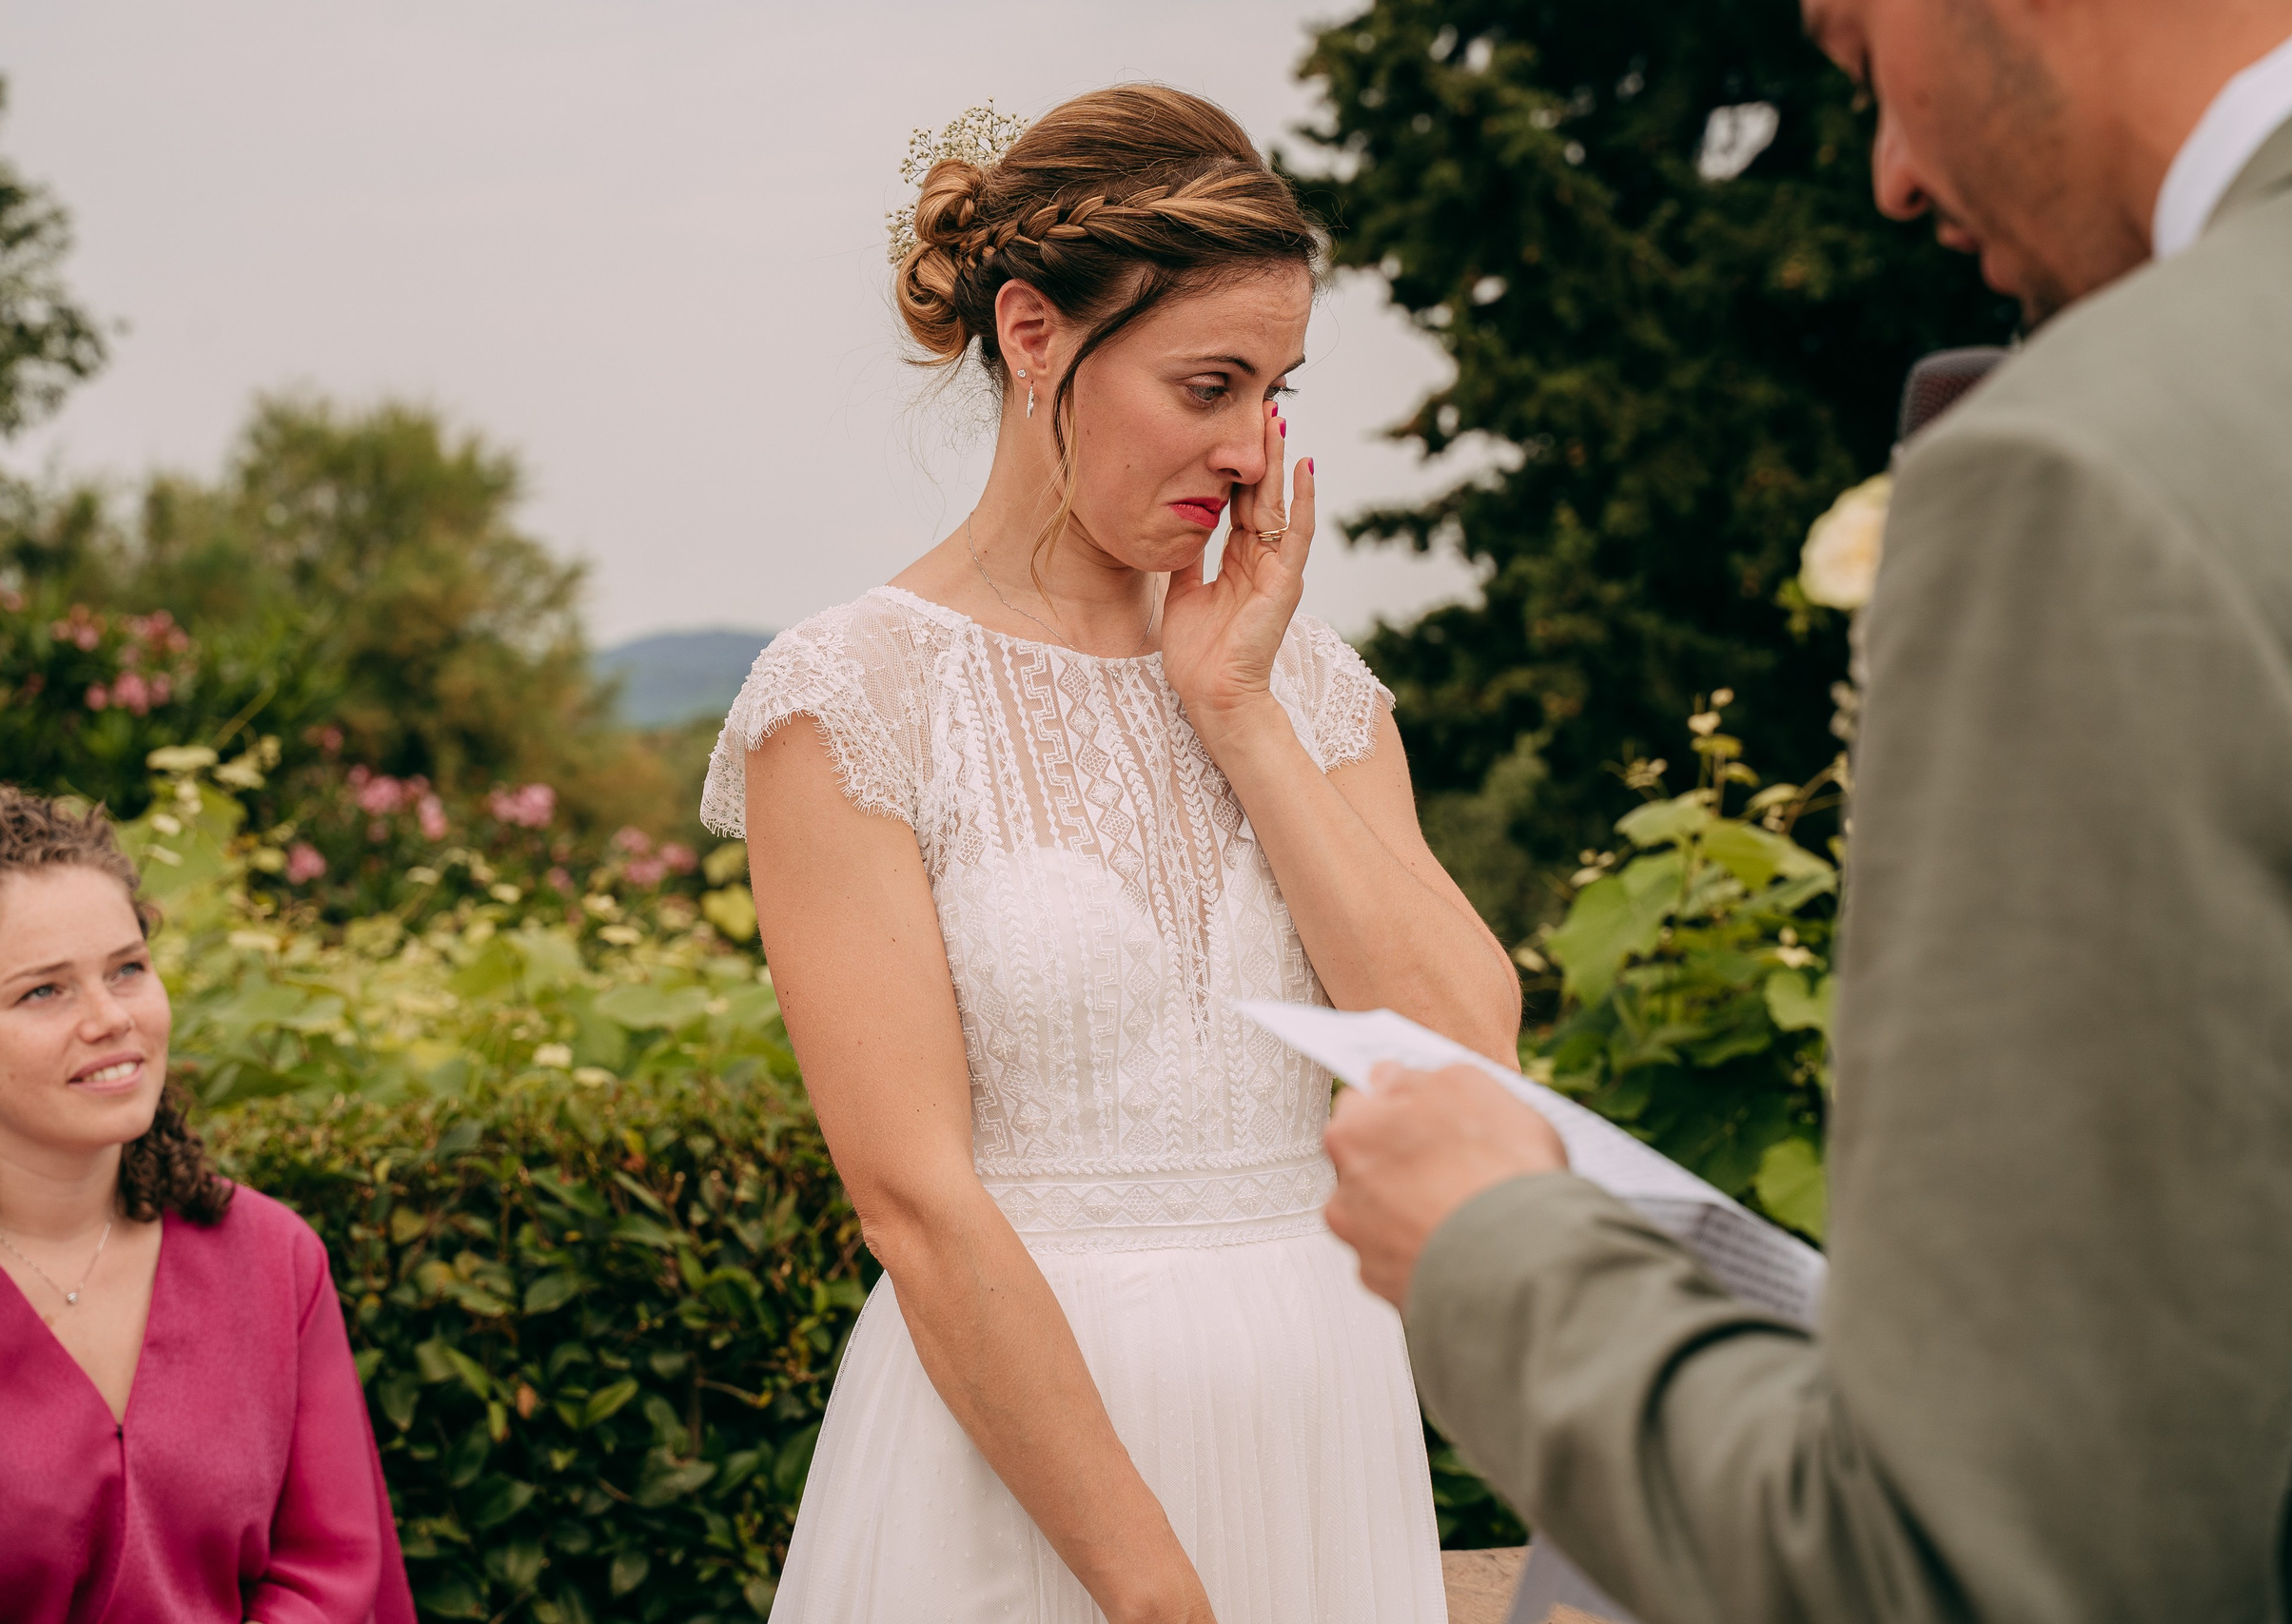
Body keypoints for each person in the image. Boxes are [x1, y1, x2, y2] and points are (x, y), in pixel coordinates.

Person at [1322, 1, 2292, 1620]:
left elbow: (1971, 1564)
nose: (1892, 176)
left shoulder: (2092, 463)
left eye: (1855, 57)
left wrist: (1488, 1244)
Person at [703, 84, 1521, 1624]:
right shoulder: (850, 698)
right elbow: (916, 1206)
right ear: (1033, 335)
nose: (1249, 449)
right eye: (1207, 383)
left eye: (1273, 391)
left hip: (1320, 1437)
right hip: (1030, 1491)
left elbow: (1466, 1048)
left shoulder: (1307, 688)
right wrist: (1151, 1590)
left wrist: (1242, 713)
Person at [0, 791, 414, 1624]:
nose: (112, 1018)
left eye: (127, 969)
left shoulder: (274, 1258)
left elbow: (331, 1573)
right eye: (44, 991)